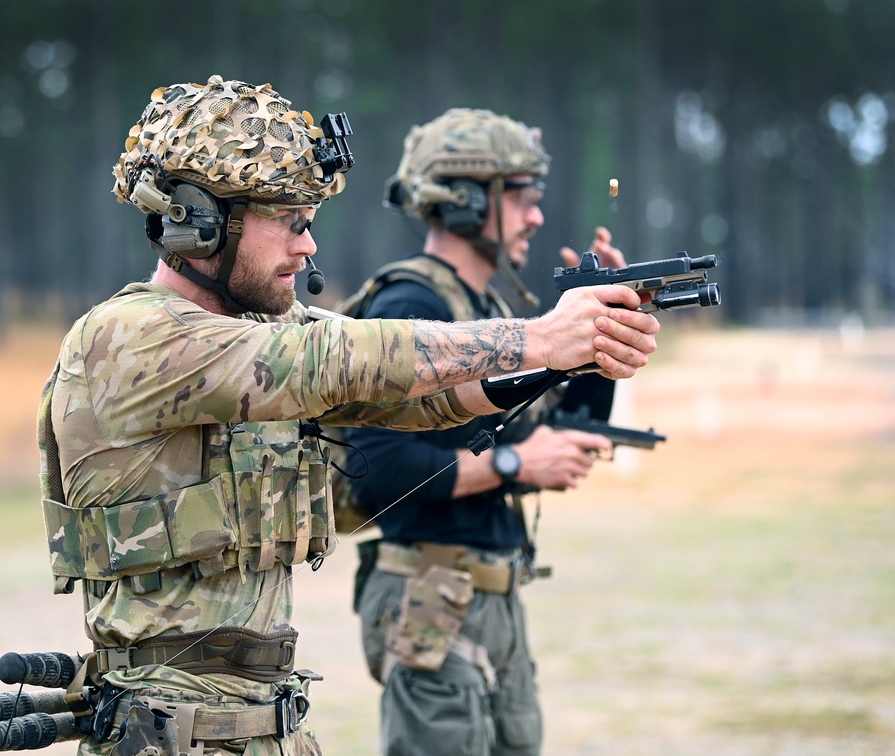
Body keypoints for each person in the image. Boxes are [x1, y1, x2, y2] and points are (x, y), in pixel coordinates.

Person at [36, 78, 659, 756]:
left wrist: (571, 354)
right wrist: (537, 337)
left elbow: (415, 399)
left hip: (261, 724)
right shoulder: (131, 337)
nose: (307, 248)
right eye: (290, 221)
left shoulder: (259, 331)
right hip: (170, 733)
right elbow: (336, 356)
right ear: (199, 220)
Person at [344, 108, 631, 756]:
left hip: (491, 594)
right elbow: (375, 469)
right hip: (430, 593)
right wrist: (512, 467)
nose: (535, 216)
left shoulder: (489, 311)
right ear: (468, 201)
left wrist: (598, 340)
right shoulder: (409, 307)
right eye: (522, 196)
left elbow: (549, 431)